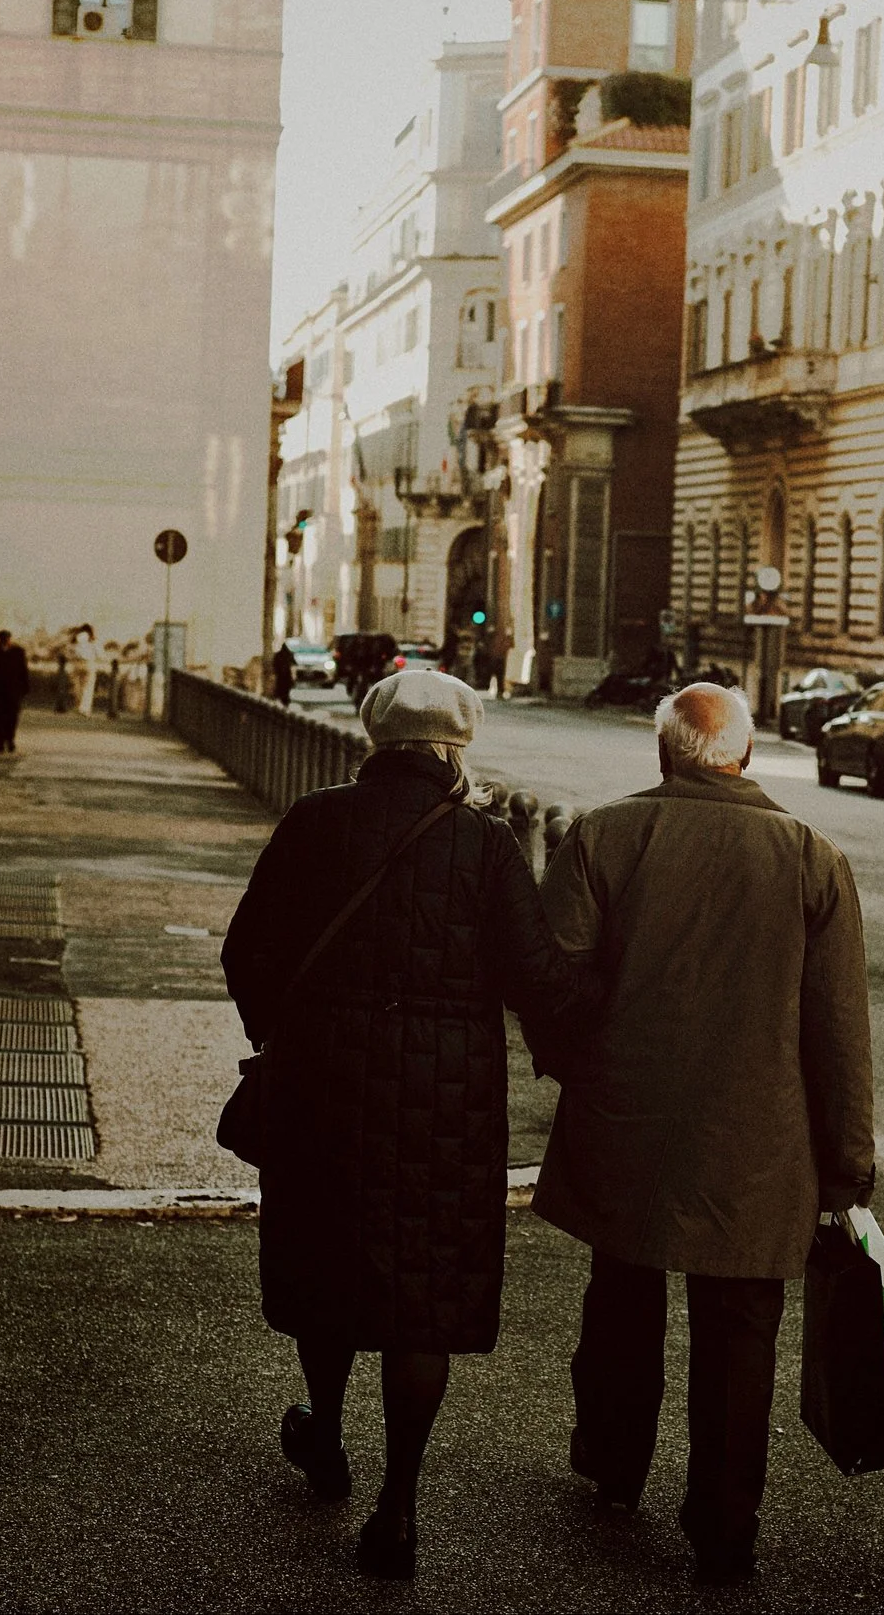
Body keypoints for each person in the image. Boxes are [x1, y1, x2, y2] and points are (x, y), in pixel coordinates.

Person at [219, 671, 589, 1581]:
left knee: (328, 1260)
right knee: (423, 1288)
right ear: (456, 748)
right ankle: (400, 1506)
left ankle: (327, 1432)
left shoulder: (314, 819)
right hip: (445, 1101)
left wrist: (283, 1033)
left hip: (322, 1082)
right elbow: (537, 980)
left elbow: (246, 948)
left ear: (373, 737)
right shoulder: (485, 844)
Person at [534, 682, 875, 1584]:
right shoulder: (812, 857)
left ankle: (612, 1460)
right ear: (749, 758)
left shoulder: (603, 835)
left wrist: (585, 1066)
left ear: (663, 754)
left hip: (626, 1121)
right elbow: (838, 1030)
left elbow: (551, 978)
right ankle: (725, 1525)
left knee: (622, 1287)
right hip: (758, 1143)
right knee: (740, 1330)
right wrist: (847, 1165)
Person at [68, 624, 102, 715]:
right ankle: (85, 709)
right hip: (89, 664)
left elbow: (70, 652)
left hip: (77, 664)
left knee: (77, 687)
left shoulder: (75, 639)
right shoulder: (93, 640)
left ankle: (78, 706)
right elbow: (99, 654)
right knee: (88, 687)